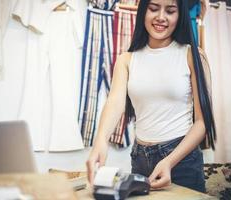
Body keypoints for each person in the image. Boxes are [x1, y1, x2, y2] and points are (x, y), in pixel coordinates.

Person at [86, 0, 216, 193]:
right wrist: (100, 141)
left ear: (179, 16)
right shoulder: (126, 59)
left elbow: (202, 122)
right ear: (142, 11)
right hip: (139, 158)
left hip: (181, 159)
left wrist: (169, 161)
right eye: (153, 9)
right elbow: (114, 103)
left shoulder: (193, 56)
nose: (161, 17)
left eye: (170, 11)